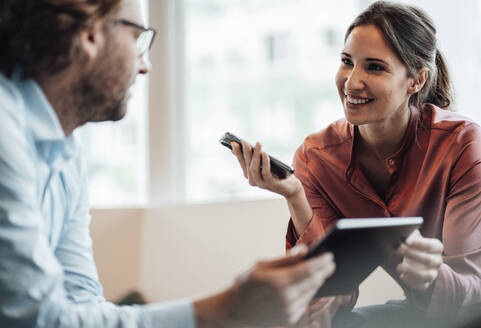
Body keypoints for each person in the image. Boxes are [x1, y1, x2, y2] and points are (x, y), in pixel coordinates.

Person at [0, 0, 338, 327]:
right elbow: (37, 320)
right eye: (138, 39)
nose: (145, 65)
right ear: (89, 34)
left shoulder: (67, 152)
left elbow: (81, 304)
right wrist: (228, 310)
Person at [231, 1, 481, 327]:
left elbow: (468, 293)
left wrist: (432, 276)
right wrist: (296, 197)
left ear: (416, 81)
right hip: (420, 313)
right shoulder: (317, 157)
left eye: (374, 67)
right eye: (347, 62)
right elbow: (332, 299)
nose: (351, 82)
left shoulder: (462, 144)